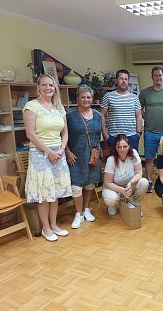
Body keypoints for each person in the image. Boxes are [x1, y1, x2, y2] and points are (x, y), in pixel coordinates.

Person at [23, 74, 72, 242]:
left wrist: (61, 149)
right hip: (40, 154)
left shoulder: (59, 107)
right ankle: (46, 228)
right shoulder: (31, 106)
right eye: (44, 85)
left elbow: (65, 132)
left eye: (51, 85)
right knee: (45, 193)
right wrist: (48, 152)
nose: (48, 87)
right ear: (38, 87)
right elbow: (30, 134)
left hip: (58, 152)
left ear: (55, 87)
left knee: (56, 192)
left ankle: (54, 224)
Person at [66, 85, 102, 229]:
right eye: (83, 97)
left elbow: (100, 134)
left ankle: (86, 209)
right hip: (76, 155)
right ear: (78, 98)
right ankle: (78, 214)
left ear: (92, 99)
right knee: (76, 185)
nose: (86, 99)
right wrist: (67, 151)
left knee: (89, 183)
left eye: (88, 97)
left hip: (93, 154)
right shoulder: (70, 116)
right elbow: (64, 135)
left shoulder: (98, 115)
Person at [139, 66, 163, 193]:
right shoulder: (145, 93)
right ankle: (149, 181)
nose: (158, 77)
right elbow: (139, 110)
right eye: (155, 75)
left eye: (160, 75)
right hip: (150, 131)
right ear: (152, 77)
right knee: (149, 158)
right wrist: (148, 117)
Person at [102, 134, 149, 216]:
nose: (122, 150)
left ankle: (133, 203)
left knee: (144, 182)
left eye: (125, 146)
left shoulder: (134, 153)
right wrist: (122, 190)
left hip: (128, 185)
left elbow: (139, 173)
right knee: (111, 199)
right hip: (114, 188)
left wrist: (130, 183)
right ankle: (113, 205)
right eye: (119, 147)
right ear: (115, 147)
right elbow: (108, 183)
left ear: (129, 146)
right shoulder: (111, 160)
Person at [100, 69, 143, 151]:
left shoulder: (134, 98)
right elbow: (101, 115)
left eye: (126, 79)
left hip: (132, 137)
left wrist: (138, 134)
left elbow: (139, 116)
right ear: (116, 80)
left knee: (132, 163)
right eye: (121, 78)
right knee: (115, 163)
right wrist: (105, 135)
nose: (124, 81)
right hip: (114, 137)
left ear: (128, 81)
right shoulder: (108, 96)